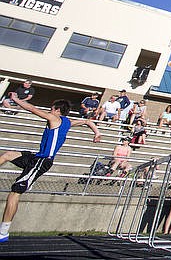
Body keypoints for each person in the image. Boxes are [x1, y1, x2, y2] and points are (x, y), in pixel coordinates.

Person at [0, 98, 101, 243]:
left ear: (57, 110)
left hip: (42, 161)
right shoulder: (68, 122)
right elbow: (87, 121)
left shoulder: (55, 118)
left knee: (15, 192)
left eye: (51, 109)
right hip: (36, 158)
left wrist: (16, 99)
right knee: (8, 155)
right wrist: (97, 133)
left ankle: (3, 232)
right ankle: (28, 181)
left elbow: (32, 109)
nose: (49, 111)